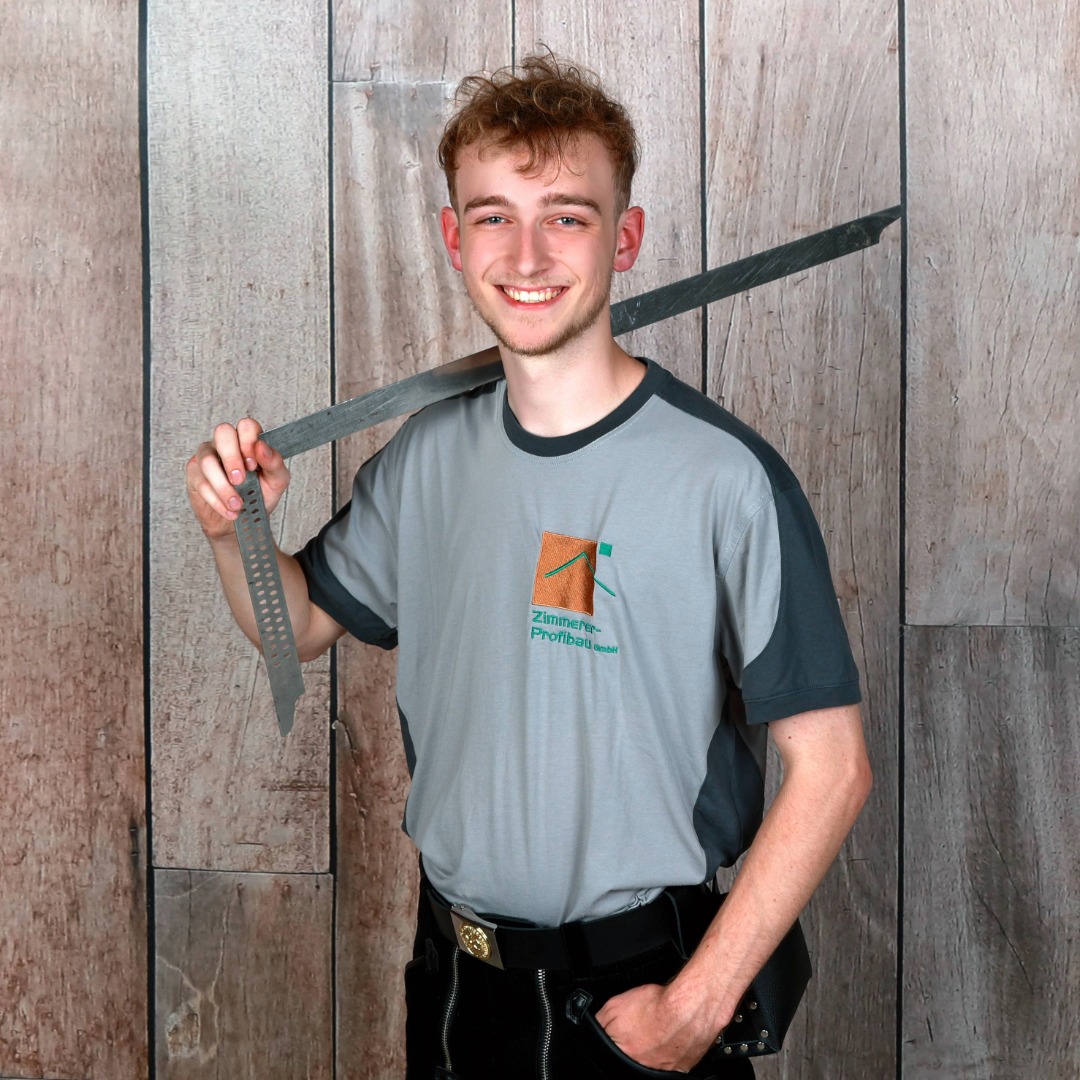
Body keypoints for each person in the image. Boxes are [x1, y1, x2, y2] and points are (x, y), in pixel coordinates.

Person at [186, 52, 872, 1079]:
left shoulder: (725, 479)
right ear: (455, 240)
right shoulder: (425, 459)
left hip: (637, 1000)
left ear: (624, 238)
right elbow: (296, 629)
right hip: (455, 988)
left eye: (567, 215)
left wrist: (694, 1008)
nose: (528, 253)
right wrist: (232, 529)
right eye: (495, 216)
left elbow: (833, 768)